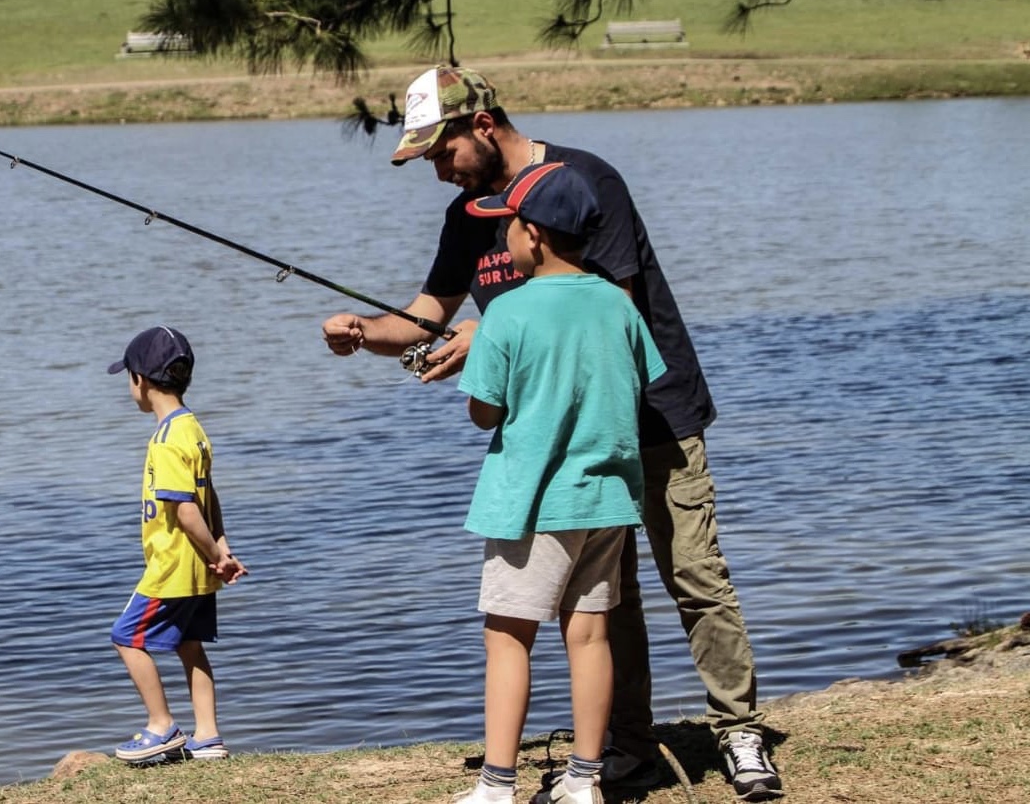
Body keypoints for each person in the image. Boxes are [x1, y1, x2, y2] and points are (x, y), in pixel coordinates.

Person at [321, 66, 783, 802]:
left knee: (694, 576)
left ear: (482, 125)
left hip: (651, 418)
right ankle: (626, 746)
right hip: (558, 446)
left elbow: (607, 304)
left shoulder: (588, 182)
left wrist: (496, 330)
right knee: (609, 601)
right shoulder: (468, 216)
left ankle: (739, 731)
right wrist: (365, 333)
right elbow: (427, 313)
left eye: (442, 153)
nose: (439, 172)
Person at [452, 161, 667, 804]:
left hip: (533, 504)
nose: (503, 242)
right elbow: (636, 382)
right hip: (605, 498)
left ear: (534, 235)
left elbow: (484, 410)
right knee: (592, 632)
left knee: (507, 636)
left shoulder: (507, 315)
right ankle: (584, 778)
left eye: (508, 229)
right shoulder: (618, 305)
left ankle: (495, 786)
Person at [106, 324, 247, 764]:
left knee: (126, 637)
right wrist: (220, 549)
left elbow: (186, 509)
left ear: (140, 381)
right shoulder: (194, 430)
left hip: (171, 567)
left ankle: (161, 726)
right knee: (190, 645)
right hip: (199, 567)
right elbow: (211, 497)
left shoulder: (166, 441)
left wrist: (210, 551)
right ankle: (209, 737)